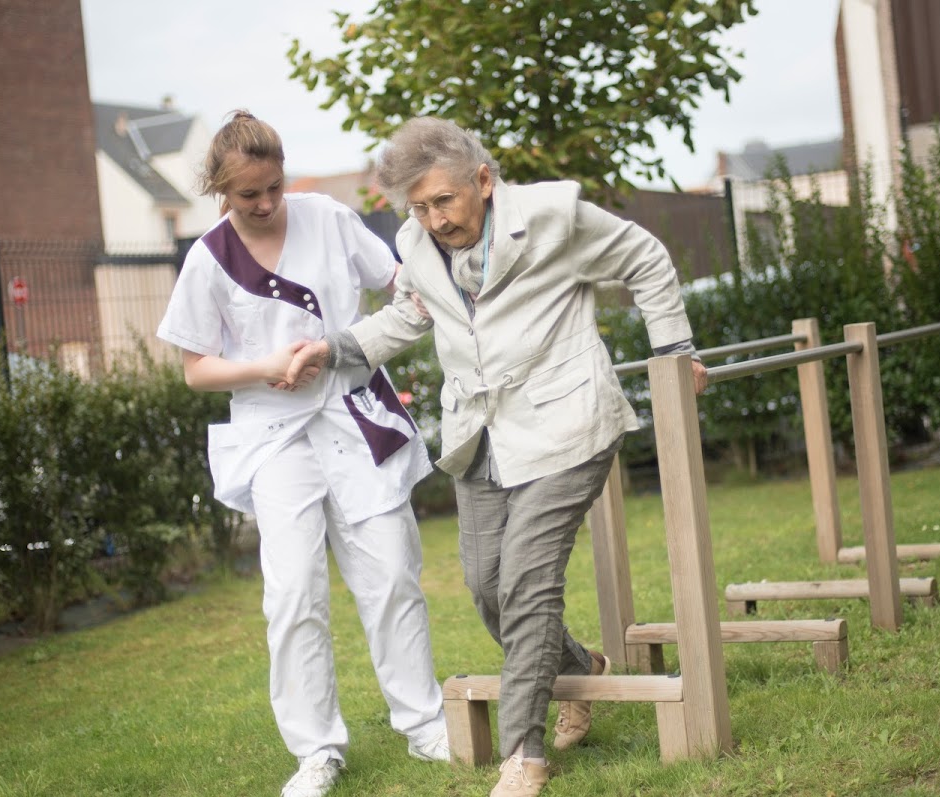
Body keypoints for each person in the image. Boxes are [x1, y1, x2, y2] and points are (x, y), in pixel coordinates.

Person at [285, 117, 707, 797]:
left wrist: (673, 348)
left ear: (482, 180)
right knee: (487, 587)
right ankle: (581, 666)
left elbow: (645, 259)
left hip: (567, 425)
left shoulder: (552, 218)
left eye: (443, 201)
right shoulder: (417, 242)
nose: (432, 218)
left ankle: (523, 753)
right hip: (480, 436)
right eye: (418, 207)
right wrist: (332, 349)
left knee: (527, 582)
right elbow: (407, 317)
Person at [156, 110, 449, 797]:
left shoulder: (325, 215)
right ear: (220, 192)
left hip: (355, 417)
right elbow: (197, 368)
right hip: (274, 436)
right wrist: (265, 366)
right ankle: (317, 749)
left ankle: (425, 722)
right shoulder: (206, 260)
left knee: (392, 573)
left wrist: (357, 345)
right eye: (247, 195)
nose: (263, 204)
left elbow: (402, 283)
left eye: (272, 188)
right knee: (292, 594)